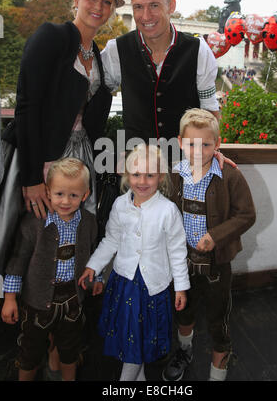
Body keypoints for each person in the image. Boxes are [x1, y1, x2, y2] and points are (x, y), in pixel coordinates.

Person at [6, 0, 124, 220]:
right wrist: (32, 178)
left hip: (83, 158)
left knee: (79, 232)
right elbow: (27, 107)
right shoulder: (51, 37)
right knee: (42, 233)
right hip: (45, 157)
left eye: (107, 2)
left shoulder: (98, 56)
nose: (98, 7)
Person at [79, 144, 190, 381]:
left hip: (153, 289)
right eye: (137, 174)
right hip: (124, 285)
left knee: (137, 341)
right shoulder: (120, 205)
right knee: (131, 340)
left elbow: (177, 251)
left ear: (160, 177)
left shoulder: (168, 211)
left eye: (150, 175)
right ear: (127, 175)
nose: (142, 181)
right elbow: (111, 240)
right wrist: (94, 265)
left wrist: (181, 286)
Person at [162, 108, 256, 382]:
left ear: (217, 144)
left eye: (206, 144)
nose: (198, 149)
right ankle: (185, 350)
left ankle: (218, 369)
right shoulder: (174, 175)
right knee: (183, 310)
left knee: (218, 317)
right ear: (180, 143)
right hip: (182, 263)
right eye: (191, 143)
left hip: (217, 264)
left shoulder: (229, 175)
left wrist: (215, 235)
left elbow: (247, 214)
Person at [1, 157, 103, 381]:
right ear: (47, 192)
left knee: (70, 349)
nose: (65, 201)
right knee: (29, 351)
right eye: (59, 194)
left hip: (73, 301)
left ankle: (64, 376)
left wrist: (97, 277)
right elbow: (17, 262)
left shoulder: (88, 223)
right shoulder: (34, 223)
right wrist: (9, 298)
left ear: (85, 195)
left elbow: (94, 255)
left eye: (74, 195)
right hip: (37, 305)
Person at [101, 0, 220, 148]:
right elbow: (95, 99)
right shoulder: (115, 51)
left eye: (154, 5)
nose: (146, 16)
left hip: (185, 166)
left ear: (171, 6)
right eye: (138, 7)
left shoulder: (199, 51)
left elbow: (209, 111)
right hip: (137, 168)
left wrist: (213, 150)